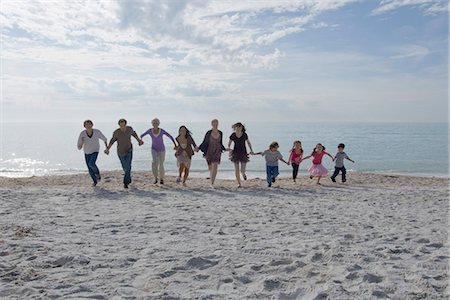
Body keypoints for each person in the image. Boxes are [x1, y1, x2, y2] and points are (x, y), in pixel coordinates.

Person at [104, 119, 143, 189]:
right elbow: (112, 140)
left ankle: (125, 183)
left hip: (129, 150)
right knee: (125, 167)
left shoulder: (129, 129)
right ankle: (128, 178)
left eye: (124, 125)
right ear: (119, 125)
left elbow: (134, 134)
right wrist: (107, 149)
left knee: (128, 166)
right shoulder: (116, 132)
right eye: (121, 125)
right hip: (120, 151)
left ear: (126, 124)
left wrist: (139, 140)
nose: (122, 126)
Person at [140, 118, 177, 184]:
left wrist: (175, 145)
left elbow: (170, 136)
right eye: (154, 123)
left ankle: (161, 178)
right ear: (152, 124)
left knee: (161, 164)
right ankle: (155, 178)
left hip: (162, 149)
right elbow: (141, 135)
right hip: (153, 149)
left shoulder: (161, 131)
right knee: (154, 162)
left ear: (158, 124)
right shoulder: (150, 131)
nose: (155, 124)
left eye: (156, 123)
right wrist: (140, 140)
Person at [77, 120, 108, 186]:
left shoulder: (97, 132)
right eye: (86, 124)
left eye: (89, 124)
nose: (88, 126)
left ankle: (97, 174)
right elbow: (79, 147)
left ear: (92, 125)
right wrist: (82, 142)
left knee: (91, 163)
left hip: (95, 150)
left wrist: (107, 148)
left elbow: (105, 139)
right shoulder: (82, 134)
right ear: (84, 126)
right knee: (89, 168)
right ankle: (95, 182)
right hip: (86, 152)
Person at [199, 119, 226, 188]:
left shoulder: (221, 133)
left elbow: (220, 143)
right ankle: (211, 176)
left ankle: (212, 183)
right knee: (210, 167)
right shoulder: (208, 133)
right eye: (214, 123)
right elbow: (204, 142)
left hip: (217, 150)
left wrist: (225, 149)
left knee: (215, 165)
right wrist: (198, 148)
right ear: (211, 124)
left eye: (216, 123)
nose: (215, 125)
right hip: (209, 151)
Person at [227, 122, 255, 188]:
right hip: (235, 153)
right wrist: (228, 148)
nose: (239, 128)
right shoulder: (233, 135)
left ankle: (243, 174)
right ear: (235, 128)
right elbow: (229, 143)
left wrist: (251, 150)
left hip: (243, 153)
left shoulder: (244, 135)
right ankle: (239, 183)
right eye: (237, 127)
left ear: (242, 128)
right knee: (236, 169)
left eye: (240, 127)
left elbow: (248, 142)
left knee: (242, 170)